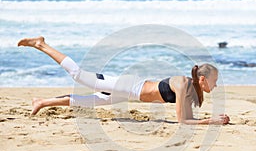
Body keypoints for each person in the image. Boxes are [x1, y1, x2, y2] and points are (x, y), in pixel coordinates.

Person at [18, 36, 230, 125]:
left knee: (90, 101)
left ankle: (42, 102)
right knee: (79, 75)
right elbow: (183, 122)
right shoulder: (183, 84)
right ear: (202, 79)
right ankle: (41, 44)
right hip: (128, 87)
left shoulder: (191, 89)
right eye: (215, 80)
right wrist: (212, 121)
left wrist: (213, 119)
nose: (216, 85)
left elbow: (189, 119)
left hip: (129, 93)